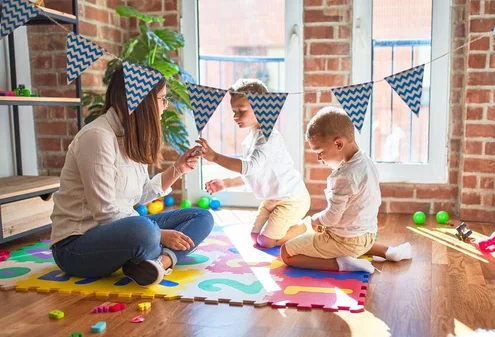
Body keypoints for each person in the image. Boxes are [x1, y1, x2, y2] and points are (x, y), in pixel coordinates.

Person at [50, 65, 214, 287]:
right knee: (145, 231)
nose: (165, 106)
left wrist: (177, 168)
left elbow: (138, 195)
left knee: (202, 218)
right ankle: (153, 256)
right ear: (142, 100)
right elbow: (105, 210)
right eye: (162, 99)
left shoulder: (130, 136)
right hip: (76, 246)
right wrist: (160, 234)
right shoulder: (97, 137)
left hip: (119, 230)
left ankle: (159, 263)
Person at [280, 107, 412, 274]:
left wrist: (316, 219)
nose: (319, 159)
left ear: (339, 144)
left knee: (286, 253)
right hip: (368, 235)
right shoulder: (366, 161)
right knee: (354, 239)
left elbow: (332, 217)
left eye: (320, 152)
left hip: (345, 242)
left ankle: (343, 264)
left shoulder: (343, 177)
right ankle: (390, 252)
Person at [197, 78, 310, 248]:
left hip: (291, 200)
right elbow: (253, 173)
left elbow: (249, 167)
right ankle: (279, 225)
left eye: (241, 110)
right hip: (270, 200)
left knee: (265, 241)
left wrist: (215, 157)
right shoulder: (251, 138)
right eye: (234, 110)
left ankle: (305, 227)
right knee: (254, 236)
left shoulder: (268, 137)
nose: (236, 116)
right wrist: (225, 183)